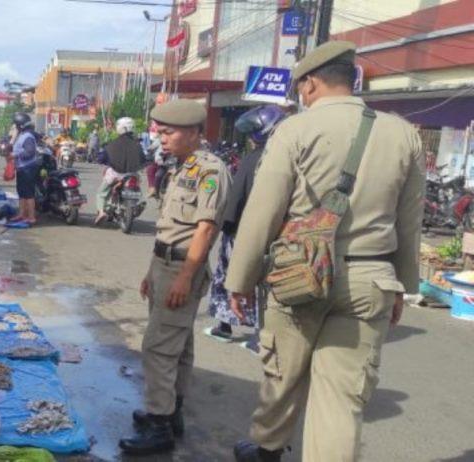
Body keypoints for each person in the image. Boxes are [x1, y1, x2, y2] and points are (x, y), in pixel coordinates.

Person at [225, 41, 423, 462]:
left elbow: (263, 211)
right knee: (341, 400)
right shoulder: (403, 134)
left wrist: (239, 280)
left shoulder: (294, 130)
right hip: (371, 279)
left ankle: (268, 449)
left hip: (300, 273)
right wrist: (403, 287)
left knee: (283, 373)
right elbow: (410, 221)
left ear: (311, 83)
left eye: (301, 86)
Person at [120, 100, 231, 456]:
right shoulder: (183, 166)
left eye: (169, 133)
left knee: (157, 347)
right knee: (178, 345)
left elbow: (205, 230)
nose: (162, 139)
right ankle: (171, 412)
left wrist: (185, 277)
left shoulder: (210, 170)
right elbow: (169, 227)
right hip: (164, 264)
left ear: (195, 132)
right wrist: (151, 271)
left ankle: (159, 424)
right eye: (160, 133)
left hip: (182, 267)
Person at [204, 105, 285, 346]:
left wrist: (227, 228)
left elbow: (236, 198)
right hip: (279, 236)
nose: (249, 138)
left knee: (230, 277)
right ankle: (262, 335)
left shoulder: (252, 160)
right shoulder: (288, 159)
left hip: (245, 233)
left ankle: (225, 326)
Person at [94, 117, 146, 225]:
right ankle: (137, 203)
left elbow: (101, 158)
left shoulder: (112, 144)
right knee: (137, 186)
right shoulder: (138, 145)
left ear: (120, 128)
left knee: (101, 193)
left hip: (115, 175)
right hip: (131, 175)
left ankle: (101, 212)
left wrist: (101, 160)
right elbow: (144, 160)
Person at [11, 112, 41, 225]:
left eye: (16, 126)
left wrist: (15, 155)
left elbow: (29, 152)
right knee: (21, 192)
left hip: (28, 168)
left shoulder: (28, 136)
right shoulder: (23, 135)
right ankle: (22, 214)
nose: (15, 128)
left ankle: (31, 217)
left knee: (28, 193)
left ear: (21, 125)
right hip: (22, 168)